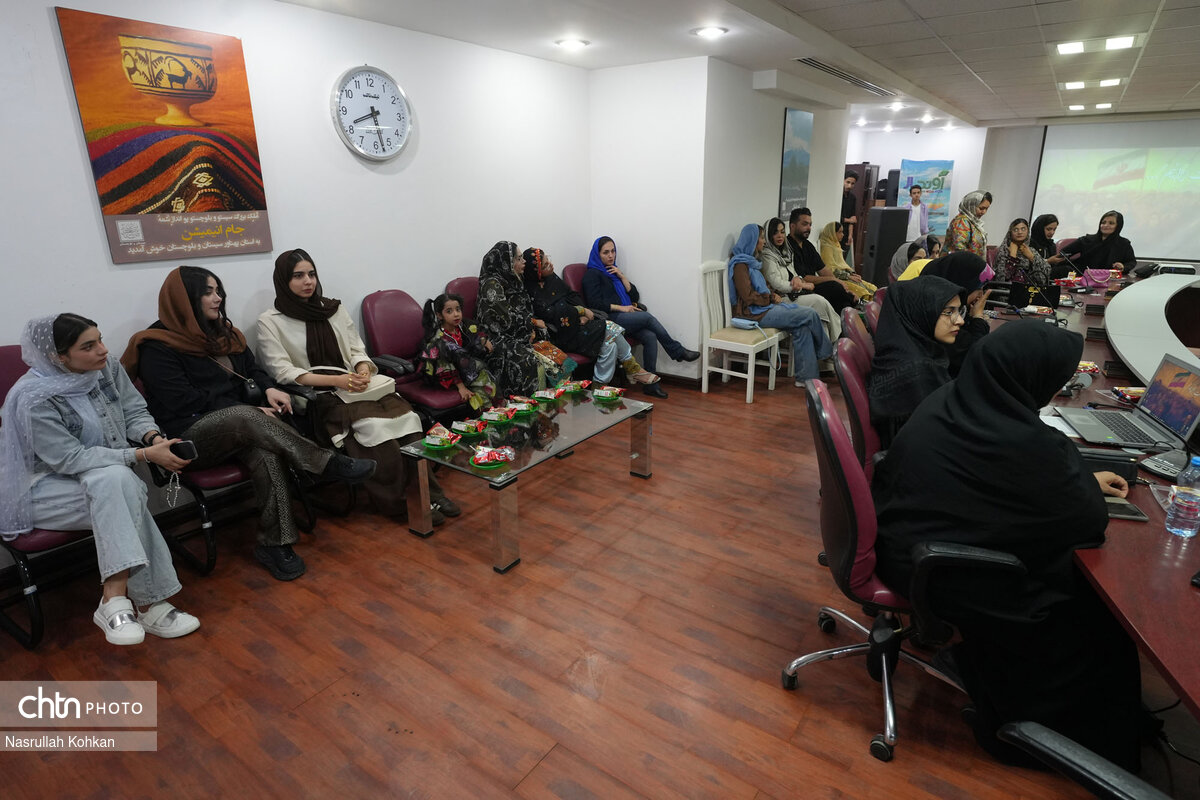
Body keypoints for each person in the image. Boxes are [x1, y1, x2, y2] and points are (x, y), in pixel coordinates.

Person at [871, 321, 1142, 772]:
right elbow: (1087, 523)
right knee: (1094, 624)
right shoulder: (1024, 442)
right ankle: (1034, 736)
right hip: (942, 571)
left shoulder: (957, 398)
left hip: (907, 545)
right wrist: (1075, 479)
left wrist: (1074, 477)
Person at [123, 266, 376, 582]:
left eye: (218, 291)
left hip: (245, 426)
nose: (218, 298)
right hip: (189, 437)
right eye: (208, 292)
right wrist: (249, 410)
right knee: (245, 418)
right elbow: (184, 401)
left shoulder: (224, 333)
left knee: (264, 451)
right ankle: (325, 463)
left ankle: (276, 544)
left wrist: (268, 389)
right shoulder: (157, 345)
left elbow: (254, 371)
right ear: (184, 299)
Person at [0, 314, 200, 646]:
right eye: (88, 346)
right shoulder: (32, 397)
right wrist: (143, 455)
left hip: (105, 480)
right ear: (57, 357)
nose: (103, 350)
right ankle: (149, 604)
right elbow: (70, 458)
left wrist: (152, 439)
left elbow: (134, 411)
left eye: (101, 339)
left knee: (116, 483)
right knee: (121, 486)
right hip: (40, 489)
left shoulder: (106, 369)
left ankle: (114, 599)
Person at [257, 248, 460, 527]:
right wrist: (338, 381)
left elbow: (356, 349)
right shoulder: (271, 321)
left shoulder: (333, 309)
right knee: (374, 428)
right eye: (298, 276)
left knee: (409, 419)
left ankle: (429, 493)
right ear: (283, 280)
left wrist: (363, 368)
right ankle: (401, 502)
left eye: (311, 274)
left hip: (357, 386)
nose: (308, 281)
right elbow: (282, 370)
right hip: (322, 397)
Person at [521, 247, 664, 398]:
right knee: (608, 326)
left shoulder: (552, 278)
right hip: (562, 334)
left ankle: (599, 386)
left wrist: (582, 313)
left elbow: (572, 295)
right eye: (545, 265)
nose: (550, 264)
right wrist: (580, 311)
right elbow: (550, 313)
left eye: (548, 260)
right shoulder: (531, 290)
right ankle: (631, 368)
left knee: (610, 344)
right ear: (536, 272)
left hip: (578, 326)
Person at [866, 275, 965, 447]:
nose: (960, 321)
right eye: (949, 312)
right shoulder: (915, 373)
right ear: (920, 311)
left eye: (959, 311)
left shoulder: (910, 350)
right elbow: (933, 439)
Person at [728, 223, 832, 384]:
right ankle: (827, 353)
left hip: (764, 308)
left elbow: (764, 287)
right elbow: (748, 297)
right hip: (753, 314)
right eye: (761, 238)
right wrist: (770, 298)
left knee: (803, 327)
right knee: (810, 313)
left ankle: (806, 379)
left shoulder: (752, 262)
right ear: (752, 240)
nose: (764, 241)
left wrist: (772, 295)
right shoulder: (740, 265)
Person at [581, 236, 700, 374]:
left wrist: (622, 276)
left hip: (623, 316)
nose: (611, 255)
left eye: (613, 251)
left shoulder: (613, 271)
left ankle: (651, 381)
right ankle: (677, 351)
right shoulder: (592, 274)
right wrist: (623, 308)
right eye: (606, 252)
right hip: (609, 318)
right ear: (597, 254)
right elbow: (594, 304)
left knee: (650, 336)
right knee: (647, 317)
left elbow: (634, 296)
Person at [477, 241, 546, 396]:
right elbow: (505, 320)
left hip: (519, 334)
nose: (524, 261)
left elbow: (525, 310)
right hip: (498, 339)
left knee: (558, 358)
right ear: (506, 262)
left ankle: (558, 405)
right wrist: (530, 328)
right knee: (529, 361)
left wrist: (531, 329)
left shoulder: (514, 280)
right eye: (519, 258)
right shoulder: (492, 284)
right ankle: (530, 406)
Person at [759, 217, 842, 346]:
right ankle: (835, 342)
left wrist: (798, 279)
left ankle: (829, 347)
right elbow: (777, 284)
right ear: (769, 235)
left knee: (821, 313)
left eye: (782, 232)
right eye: (775, 233)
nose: (780, 236)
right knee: (819, 302)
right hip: (781, 299)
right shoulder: (767, 256)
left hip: (793, 294)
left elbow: (793, 274)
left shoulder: (784, 253)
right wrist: (800, 285)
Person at [419, 293, 498, 410]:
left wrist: (483, 340)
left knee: (490, 378)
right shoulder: (438, 340)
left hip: (465, 369)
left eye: (458, 309)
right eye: (449, 311)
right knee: (482, 388)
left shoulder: (463, 326)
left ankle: (497, 411)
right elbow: (444, 366)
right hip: (445, 376)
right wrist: (461, 387)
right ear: (439, 315)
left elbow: (477, 333)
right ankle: (486, 414)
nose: (456, 314)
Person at [921, 252, 993, 374]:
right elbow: (974, 355)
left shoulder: (958, 308)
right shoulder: (937, 315)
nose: (981, 294)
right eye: (978, 288)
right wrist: (977, 318)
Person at [786, 207, 857, 313]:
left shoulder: (808, 246)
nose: (809, 228)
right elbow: (804, 278)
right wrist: (833, 280)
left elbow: (823, 269)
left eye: (810, 225)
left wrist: (841, 284)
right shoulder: (787, 247)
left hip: (813, 286)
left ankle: (850, 315)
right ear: (792, 226)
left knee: (841, 289)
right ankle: (850, 314)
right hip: (801, 288)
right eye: (805, 224)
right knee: (835, 288)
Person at [1058, 210, 1136, 274]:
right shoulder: (1086, 240)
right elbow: (1063, 253)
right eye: (1103, 222)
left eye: (1111, 223)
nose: (1105, 225)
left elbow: (1131, 261)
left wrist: (1123, 266)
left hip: (1110, 279)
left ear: (1118, 226)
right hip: (1083, 278)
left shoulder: (1124, 244)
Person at [817, 222, 877, 302]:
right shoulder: (826, 248)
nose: (843, 235)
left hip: (845, 276)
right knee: (863, 291)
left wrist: (852, 274)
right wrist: (848, 276)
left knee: (871, 287)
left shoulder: (836, 245)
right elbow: (830, 270)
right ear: (832, 233)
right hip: (837, 279)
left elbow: (841, 265)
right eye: (840, 232)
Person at [993, 218, 1051, 286]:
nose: (1020, 232)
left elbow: (1045, 274)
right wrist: (1012, 257)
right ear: (1010, 233)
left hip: (1031, 289)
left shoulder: (1031, 250)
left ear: (1028, 231)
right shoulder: (1004, 251)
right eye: (1015, 230)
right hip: (1008, 289)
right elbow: (1001, 279)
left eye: (1023, 229)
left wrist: (1032, 258)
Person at [945, 190, 992, 257]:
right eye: (981, 208)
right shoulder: (962, 222)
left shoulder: (973, 223)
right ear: (971, 205)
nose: (984, 212)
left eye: (986, 209)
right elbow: (959, 249)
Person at [840, 170, 859, 257]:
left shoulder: (852, 198)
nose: (849, 186)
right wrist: (848, 220)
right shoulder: (837, 195)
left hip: (846, 232)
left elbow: (853, 218)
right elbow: (835, 216)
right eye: (848, 182)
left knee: (843, 258)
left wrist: (850, 235)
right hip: (836, 231)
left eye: (852, 183)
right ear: (843, 180)